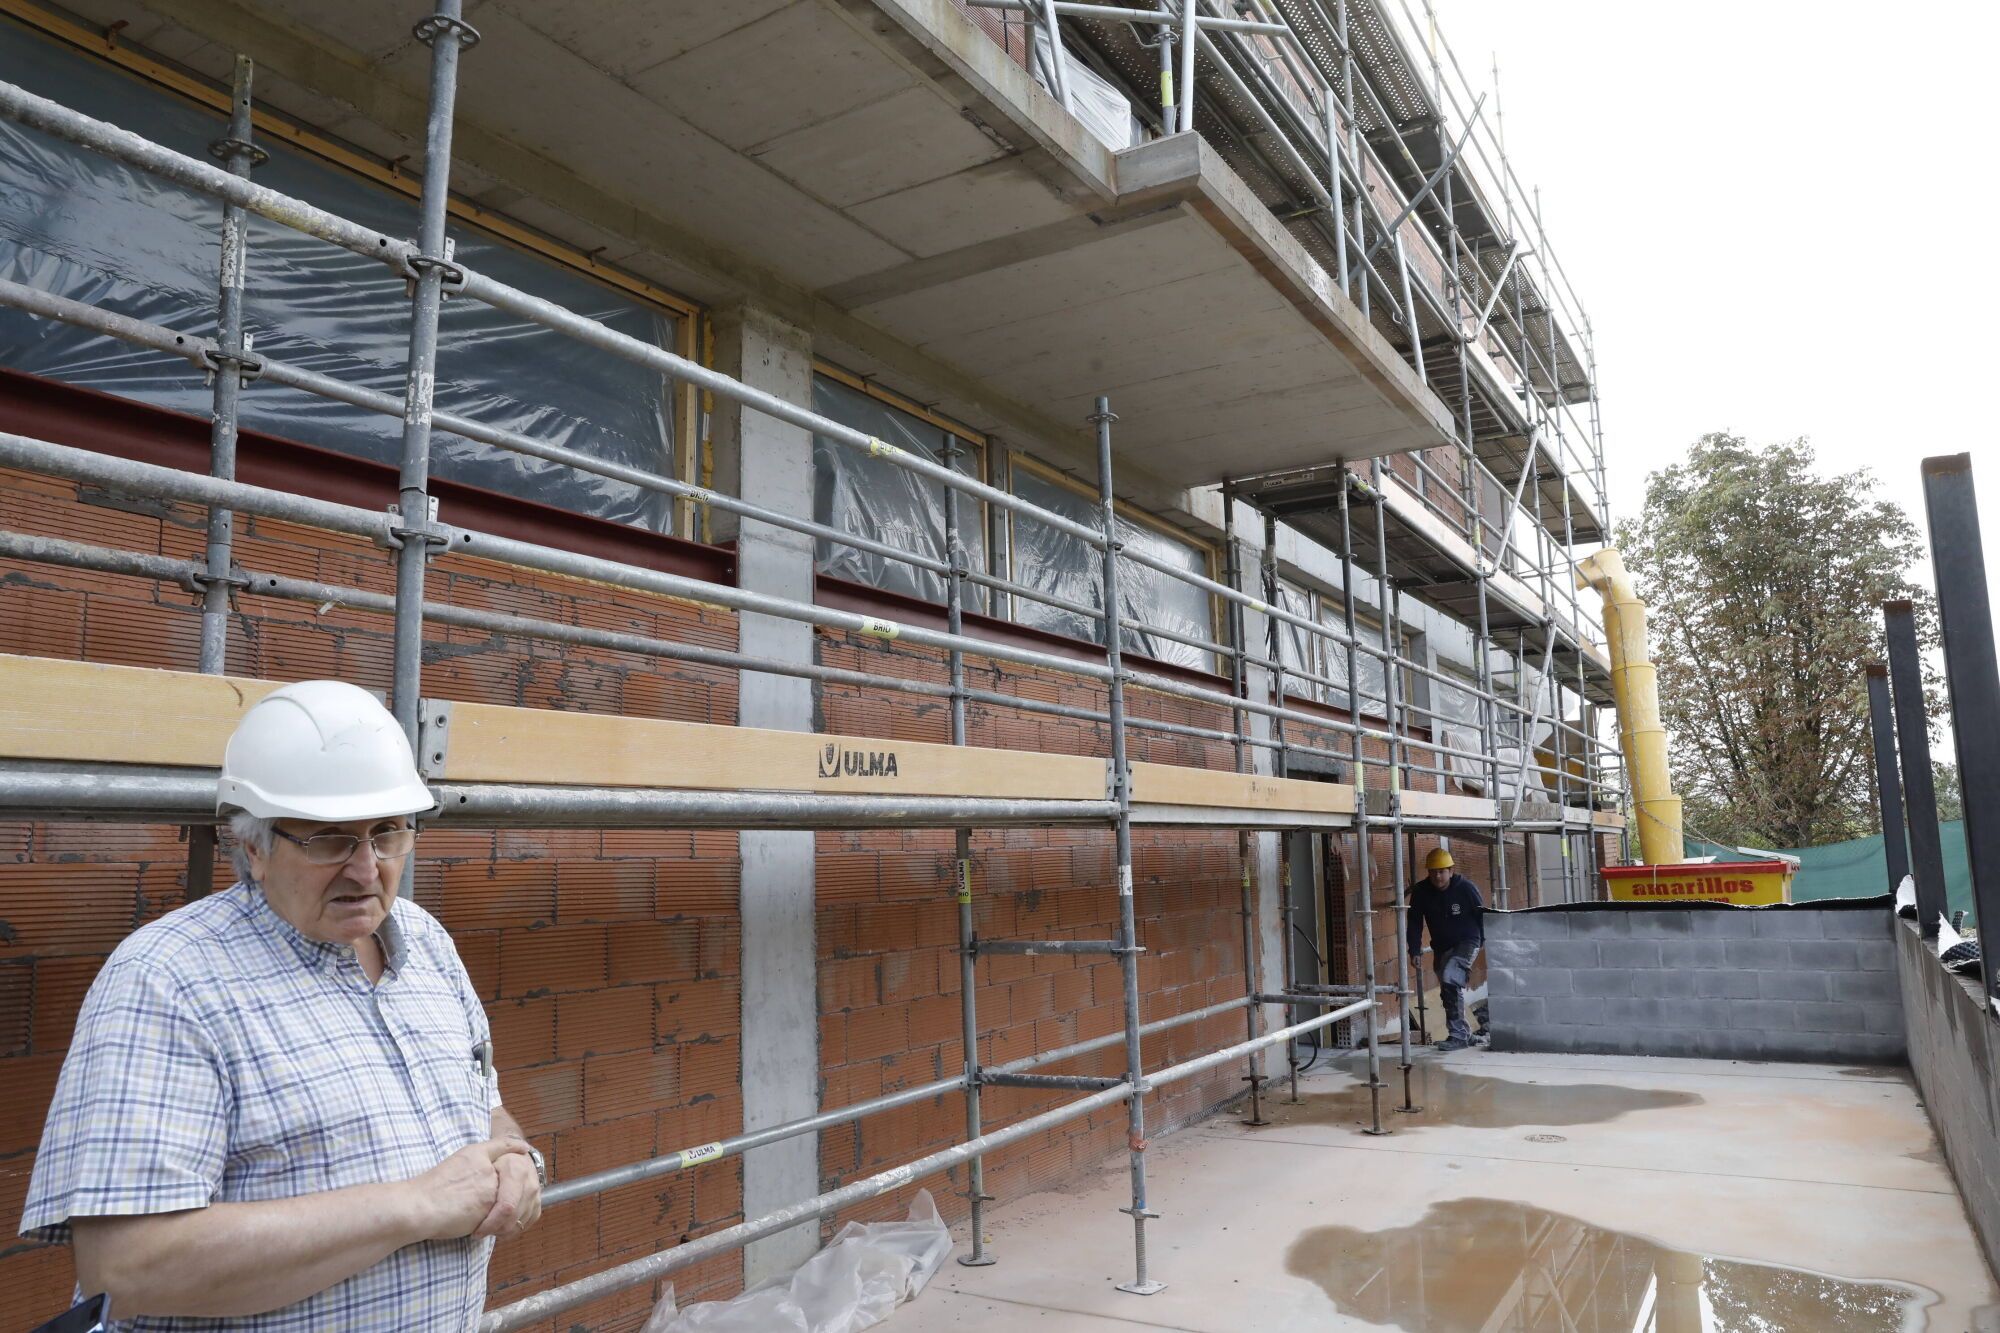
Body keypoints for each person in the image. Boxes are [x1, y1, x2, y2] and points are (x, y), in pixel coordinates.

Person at [20, 681, 544, 1329]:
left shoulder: (428, 945)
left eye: (387, 833)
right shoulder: (169, 979)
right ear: (252, 848)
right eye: (328, 839)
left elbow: (483, 1105)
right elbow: (129, 1266)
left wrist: (515, 1154)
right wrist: (413, 1205)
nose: (366, 868)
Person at [1407, 846, 1485, 1053]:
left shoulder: (1465, 888)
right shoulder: (1422, 892)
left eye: (1442, 871)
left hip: (1468, 941)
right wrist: (1414, 949)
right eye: (1433, 872)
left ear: (1451, 871)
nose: (1437, 876)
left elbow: (1482, 915)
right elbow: (1414, 922)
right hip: (1442, 946)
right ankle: (1464, 1034)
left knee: (1451, 977)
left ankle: (1457, 1036)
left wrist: (1483, 941)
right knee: (1449, 990)